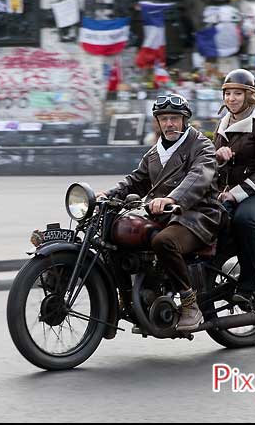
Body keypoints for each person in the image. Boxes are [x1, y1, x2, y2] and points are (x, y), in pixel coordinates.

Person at [98, 93, 222, 332]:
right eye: (164, 118)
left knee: (164, 242)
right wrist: (108, 195)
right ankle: (126, 302)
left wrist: (172, 198)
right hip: (165, 215)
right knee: (114, 238)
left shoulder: (201, 145)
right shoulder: (155, 153)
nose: (169, 124)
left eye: (174, 118)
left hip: (198, 215)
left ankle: (189, 304)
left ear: (185, 120)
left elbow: (198, 177)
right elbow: (136, 180)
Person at [213, 69, 255, 307]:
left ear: (249, 96)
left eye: (237, 94)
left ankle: (250, 286)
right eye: (227, 93)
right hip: (231, 192)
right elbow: (213, 166)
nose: (231, 98)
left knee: (243, 220)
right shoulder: (223, 125)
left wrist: (235, 194)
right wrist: (218, 158)